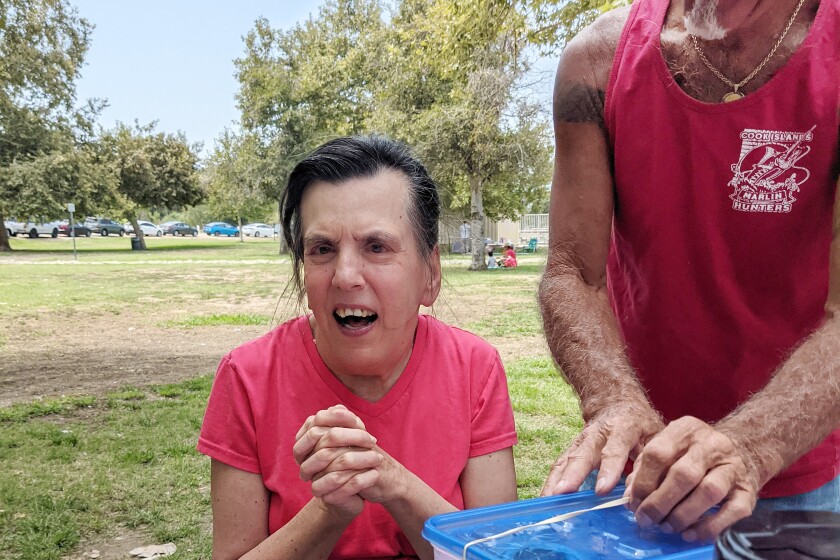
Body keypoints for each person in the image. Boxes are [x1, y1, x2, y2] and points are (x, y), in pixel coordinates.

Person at [538, 0, 838, 544]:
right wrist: (612, 399)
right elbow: (572, 272)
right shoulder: (597, 61)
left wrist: (751, 445)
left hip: (799, 472)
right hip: (639, 469)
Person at [198, 136, 518, 559]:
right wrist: (329, 509)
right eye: (323, 249)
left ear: (430, 274)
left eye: (376, 247)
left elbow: (495, 552)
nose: (345, 275)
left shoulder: (475, 368)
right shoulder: (247, 378)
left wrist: (394, 483)